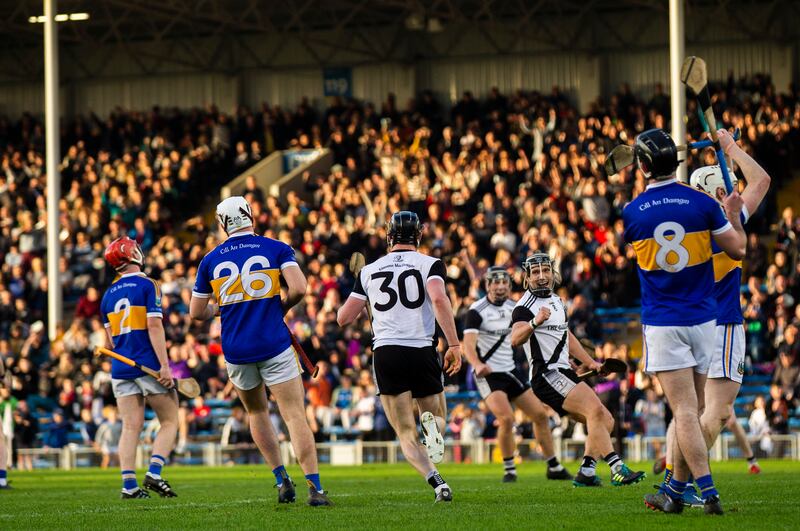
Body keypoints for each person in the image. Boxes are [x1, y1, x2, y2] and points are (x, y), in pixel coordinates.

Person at [622, 129, 747, 515]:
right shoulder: (702, 204)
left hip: (662, 321)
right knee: (692, 409)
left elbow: (630, 251)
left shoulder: (632, 211)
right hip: (705, 321)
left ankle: (708, 492)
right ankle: (676, 492)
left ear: (643, 166)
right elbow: (738, 248)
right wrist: (734, 212)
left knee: (684, 411)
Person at [190, 196, 332, 507]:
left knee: (257, 412)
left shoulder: (210, 259)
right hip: (273, 343)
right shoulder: (275, 248)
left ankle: (282, 480)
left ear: (222, 223)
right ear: (250, 216)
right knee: (294, 414)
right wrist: (279, 308)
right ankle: (315, 488)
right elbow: (299, 288)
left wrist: (223, 309)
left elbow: (196, 311)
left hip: (237, 348)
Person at [337, 211, 462, 503]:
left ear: (388, 236)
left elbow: (344, 318)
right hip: (422, 349)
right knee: (438, 417)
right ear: (419, 235)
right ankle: (433, 429)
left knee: (405, 432)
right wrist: (454, 344)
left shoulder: (369, 271)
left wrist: (363, 293)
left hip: (386, 353)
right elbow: (440, 299)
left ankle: (438, 484)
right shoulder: (430, 263)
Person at [510, 253, 645, 488]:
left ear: (553, 273)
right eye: (535, 273)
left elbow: (567, 336)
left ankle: (586, 471)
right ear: (527, 277)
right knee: (594, 410)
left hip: (564, 371)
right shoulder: (524, 307)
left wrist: (591, 362)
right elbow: (515, 338)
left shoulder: (557, 301)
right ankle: (617, 468)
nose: (541, 277)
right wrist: (535, 322)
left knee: (607, 421)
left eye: (545, 271)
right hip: (546, 375)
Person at [690, 131, 770, 476]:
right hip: (721, 323)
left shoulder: (689, 226)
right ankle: (679, 482)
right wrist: (731, 148)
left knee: (689, 411)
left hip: (690, 324)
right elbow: (761, 180)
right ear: (720, 193)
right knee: (718, 412)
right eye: (728, 187)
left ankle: (673, 481)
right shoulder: (725, 226)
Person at [463, 266, 571, 482]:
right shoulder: (477, 310)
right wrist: (476, 364)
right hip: (489, 374)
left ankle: (553, 466)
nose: (500, 286)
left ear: (510, 285)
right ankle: (509, 469)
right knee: (506, 418)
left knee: (540, 415)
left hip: (511, 370)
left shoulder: (517, 307)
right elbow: (468, 345)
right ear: (488, 285)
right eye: (496, 282)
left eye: (504, 282)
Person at [101, 236, 180, 499]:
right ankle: (155, 472)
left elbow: (110, 341)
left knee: (130, 427)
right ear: (132, 254)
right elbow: (154, 326)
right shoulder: (148, 285)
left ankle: (129, 486)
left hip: (121, 368)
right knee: (169, 420)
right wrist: (165, 366)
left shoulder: (107, 295)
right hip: (149, 365)